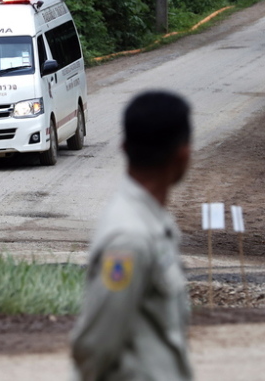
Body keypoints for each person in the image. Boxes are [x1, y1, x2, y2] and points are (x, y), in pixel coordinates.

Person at [70, 90, 193, 381]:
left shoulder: (151, 222)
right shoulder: (129, 239)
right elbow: (94, 345)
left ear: (123, 147)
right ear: (183, 154)